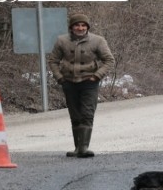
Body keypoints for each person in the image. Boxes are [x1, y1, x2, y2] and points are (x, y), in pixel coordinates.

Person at [48, 13, 115, 158]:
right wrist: (59, 77)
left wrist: (97, 75)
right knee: (75, 115)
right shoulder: (62, 41)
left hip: (89, 82)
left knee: (87, 113)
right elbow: (53, 61)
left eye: (83, 25)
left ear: (87, 27)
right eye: (77, 25)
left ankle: (84, 148)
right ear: (71, 27)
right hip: (69, 82)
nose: (80, 28)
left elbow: (109, 60)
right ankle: (77, 148)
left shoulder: (98, 40)